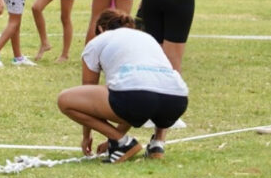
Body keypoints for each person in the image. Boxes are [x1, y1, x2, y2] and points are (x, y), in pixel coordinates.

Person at [57, 9, 189, 163]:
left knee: (65, 100)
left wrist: (88, 136)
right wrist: (112, 137)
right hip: (176, 102)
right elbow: (135, 102)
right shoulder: (147, 38)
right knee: (149, 88)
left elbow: (87, 89)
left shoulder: (97, 42)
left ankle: (123, 144)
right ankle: (157, 144)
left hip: (136, 98)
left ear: (100, 29)